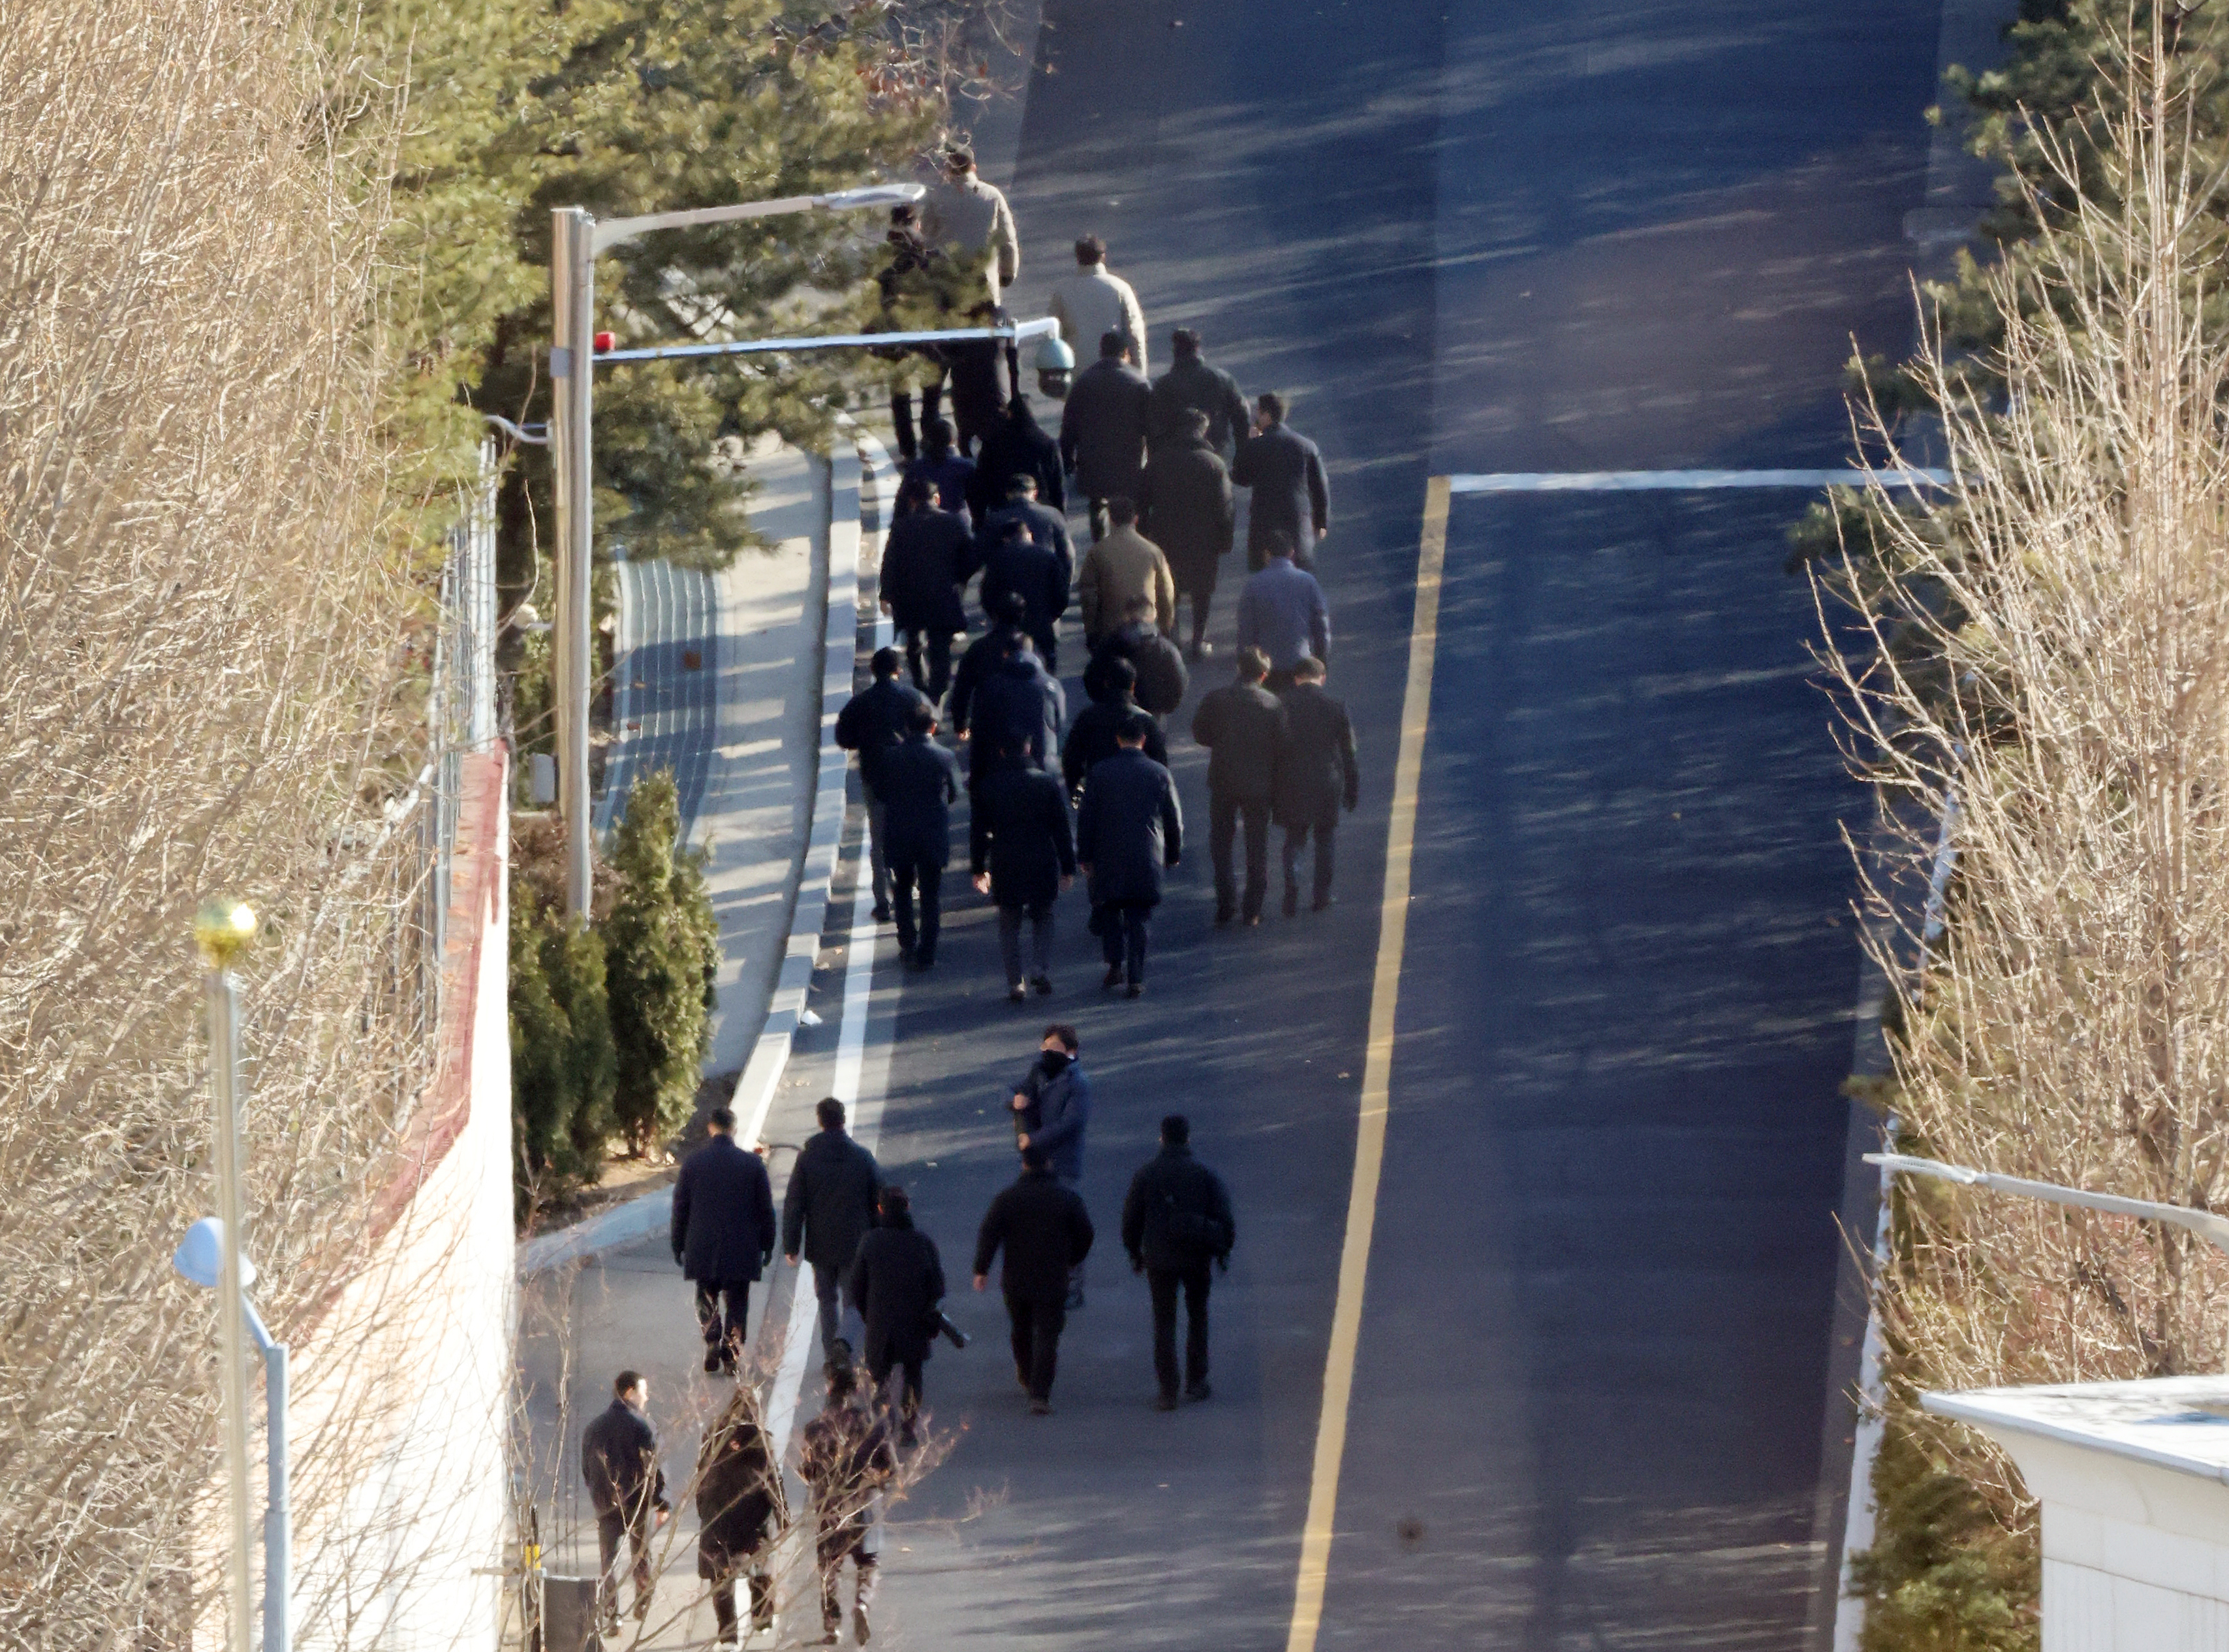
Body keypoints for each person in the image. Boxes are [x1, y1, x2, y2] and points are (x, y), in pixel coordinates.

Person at [1121, 1114, 1236, 1410]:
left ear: (1162, 1138)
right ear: (1188, 1138)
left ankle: (1167, 1389)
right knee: (1198, 1316)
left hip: (1159, 1258)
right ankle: (1196, 1382)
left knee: (1164, 1321)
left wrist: (1135, 1253)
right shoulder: (1203, 1173)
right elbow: (1224, 1216)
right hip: (1197, 1255)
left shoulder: (1146, 1174)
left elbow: (1131, 1220)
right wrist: (1222, 1249)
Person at [971, 1143, 1095, 1414]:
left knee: (1021, 1329)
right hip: (1053, 1277)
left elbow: (989, 1234)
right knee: (1049, 1334)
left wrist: (981, 1269)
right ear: (1049, 1164)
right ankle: (1041, 1393)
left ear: (1024, 1165)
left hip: (1016, 1278)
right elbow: (1085, 1233)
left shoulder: (1008, 1198)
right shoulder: (1066, 1197)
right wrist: (1072, 1259)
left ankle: (1027, 1374)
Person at [1075, 714, 1183, 998]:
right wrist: (1173, 852)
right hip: (1146, 853)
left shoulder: (1099, 773)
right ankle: (1136, 975)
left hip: (1107, 853)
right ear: (1144, 741)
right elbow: (1172, 818)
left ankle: (1114, 964)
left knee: (1110, 909)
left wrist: (1084, 854)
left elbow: (1087, 818)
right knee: (1140, 915)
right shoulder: (1159, 772)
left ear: (1118, 740)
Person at [798, 1360, 896, 1645]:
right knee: (869, 1562)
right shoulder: (871, 1426)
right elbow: (891, 1468)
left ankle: (832, 1625)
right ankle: (862, 1604)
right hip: (864, 1503)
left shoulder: (814, 1429)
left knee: (829, 1565)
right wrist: (878, 1481)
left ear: (829, 1390)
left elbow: (808, 1473)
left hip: (830, 1506)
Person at [673, 1107, 777, 1374]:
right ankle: (731, 1353)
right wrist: (768, 1243)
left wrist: (678, 1244)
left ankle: (711, 1337)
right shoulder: (753, 1165)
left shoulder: (693, 1163)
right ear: (734, 1130)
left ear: (711, 1128)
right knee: (738, 1299)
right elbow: (765, 1208)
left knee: (706, 1295)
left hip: (703, 1245)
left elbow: (681, 1208)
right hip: (741, 1247)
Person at [970, 743, 1076, 1001]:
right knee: (1044, 916)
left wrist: (979, 868)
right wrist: (1068, 867)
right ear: (1029, 749)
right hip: (1041, 857)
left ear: (1003, 751)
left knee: (1009, 923)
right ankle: (1039, 967)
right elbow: (1061, 828)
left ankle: (1015, 982)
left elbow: (979, 832)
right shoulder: (1046, 783)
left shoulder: (991, 785)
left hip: (1005, 859)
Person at [783, 1097, 883, 1361]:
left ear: (820, 1121)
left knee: (826, 1300)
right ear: (844, 1120)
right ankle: (847, 1348)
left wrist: (791, 1244)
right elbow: (879, 1200)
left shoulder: (807, 1159)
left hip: (821, 1243)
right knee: (854, 1300)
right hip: (856, 1243)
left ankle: (832, 1356)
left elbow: (795, 1204)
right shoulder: (862, 1157)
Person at [1191, 647, 1285, 926]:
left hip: (1223, 779)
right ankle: (1252, 908)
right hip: (1259, 784)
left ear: (1238, 669)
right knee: (1257, 845)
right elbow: (1283, 745)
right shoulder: (1273, 705)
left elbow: (1200, 733)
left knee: (1221, 843)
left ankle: (1226, 902)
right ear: (1264, 675)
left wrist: (1221, 744)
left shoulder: (1216, 699)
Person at [835, 647, 929, 923]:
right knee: (913, 831)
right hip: (909, 776)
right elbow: (929, 724)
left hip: (875, 776)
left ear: (873, 671)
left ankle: (882, 900)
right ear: (898, 670)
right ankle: (914, 887)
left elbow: (843, 737)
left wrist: (864, 743)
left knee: (879, 840)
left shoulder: (861, 703)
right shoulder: (912, 697)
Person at [847, 1183, 947, 1441]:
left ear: (880, 1209)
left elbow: (856, 1286)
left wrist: (868, 1314)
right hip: (914, 1321)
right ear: (907, 1208)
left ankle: (882, 1425)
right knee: (913, 1373)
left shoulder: (870, 1241)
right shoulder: (922, 1243)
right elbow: (937, 1287)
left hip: (880, 1322)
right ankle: (909, 1426)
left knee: (880, 1377)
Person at [1138, 405, 1235, 661]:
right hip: (1204, 539)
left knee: (1170, 588)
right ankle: (1198, 640)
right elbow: (1225, 508)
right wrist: (1225, 540)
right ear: (1202, 431)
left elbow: (1142, 500)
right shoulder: (1214, 464)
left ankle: (1173, 637)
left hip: (1165, 535)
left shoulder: (1159, 461)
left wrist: (1144, 533)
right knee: (1202, 590)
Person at [582, 1370, 670, 1634]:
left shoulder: (594, 1427)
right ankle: (642, 1602)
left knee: (609, 1561)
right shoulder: (643, 1426)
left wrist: (598, 1492)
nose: (647, 1396)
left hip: (606, 1502)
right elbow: (655, 1466)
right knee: (641, 1553)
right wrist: (661, 1501)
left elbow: (587, 1468)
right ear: (630, 1392)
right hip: (637, 1499)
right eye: (643, 1391)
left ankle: (612, 1615)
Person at [694, 1385, 783, 1645]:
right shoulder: (762, 1439)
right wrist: (783, 1515)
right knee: (761, 1567)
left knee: (721, 1576)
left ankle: (728, 1635)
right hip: (752, 1517)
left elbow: (701, 1475)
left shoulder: (713, 1435)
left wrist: (703, 1507)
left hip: (717, 1515)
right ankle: (763, 1617)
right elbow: (774, 1482)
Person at [877, 702, 961, 967]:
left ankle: (907, 940)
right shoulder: (945, 756)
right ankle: (928, 951)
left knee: (902, 886)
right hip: (931, 832)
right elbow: (955, 792)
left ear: (906, 728)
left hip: (900, 830)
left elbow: (880, 793)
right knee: (930, 893)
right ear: (933, 728)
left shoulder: (891, 757)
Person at [877, 204, 961, 465]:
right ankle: (931, 445)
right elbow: (952, 296)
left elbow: (878, 302)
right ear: (919, 225)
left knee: (900, 399)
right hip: (932, 337)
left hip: (898, 338)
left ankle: (908, 452)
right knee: (931, 399)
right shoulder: (934, 258)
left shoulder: (885, 263)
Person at [1276, 655, 1360, 914]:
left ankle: (1292, 887)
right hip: (1327, 782)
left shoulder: (1282, 705)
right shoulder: (1336, 707)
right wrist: (1352, 790)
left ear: (1296, 678)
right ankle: (1321, 897)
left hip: (1292, 782)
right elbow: (1349, 753)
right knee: (1325, 839)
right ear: (1322, 678)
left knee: (1295, 838)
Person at [879, 476, 972, 703]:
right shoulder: (954, 523)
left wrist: (886, 595)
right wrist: (958, 578)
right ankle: (936, 697)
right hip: (943, 595)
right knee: (941, 650)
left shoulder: (902, 527)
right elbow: (970, 556)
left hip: (910, 598)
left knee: (914, 643)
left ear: (912, 502)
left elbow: (890, 562)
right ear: (937, 499)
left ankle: (921, 686)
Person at [1060, 331, 1153, 542]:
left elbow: (1069, 426)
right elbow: (1152, 427)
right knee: (1132, 508)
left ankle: (1101, 547)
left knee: (1097, 506)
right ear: (1126, 353)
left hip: (1093, 465)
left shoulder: (1084, 382)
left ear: (1101, 352)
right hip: (1130, 465)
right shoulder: (1139, 383)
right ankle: (1131, 548)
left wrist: (1067, 459)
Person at [1231, 392, 1331, 570]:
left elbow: (1241, 477)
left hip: (1265, 520)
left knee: (1264, 574)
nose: (1256, 418)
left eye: (1258, 414)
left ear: (1267, 415)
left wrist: (1249, 445)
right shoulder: (1306, 446)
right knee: (1300, 572)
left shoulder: (1256, 446)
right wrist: (1321, 521)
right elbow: (1319, 487)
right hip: (1297, 520)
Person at [1062, 655, 1168, 809]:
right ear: (1133, 686)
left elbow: (1071, 760)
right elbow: (1160, 765)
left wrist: (1077, 796)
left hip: (1100, 797)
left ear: (1106, 684)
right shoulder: (1146, 721)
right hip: (1137, 800)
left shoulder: (1088, 718)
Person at [920, 146, 1020, 305]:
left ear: (948, 169)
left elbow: (925, 236)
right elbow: (1007, 240)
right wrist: (1008, 273)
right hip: (984, 288)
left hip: (949, 289)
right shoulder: (992, 196)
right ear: (974, 167)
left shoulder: (938, 198)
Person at [1235, 531, 1330, 693]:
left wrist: (1244, 664)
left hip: (1266, 666)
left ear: (1267, 555)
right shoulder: (1308, 582)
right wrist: (1321, 658)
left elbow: (1246, 629)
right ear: (1292, 553)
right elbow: (1321, 623)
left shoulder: (1253, 585)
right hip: (1301, 664)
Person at [967, 627, 1066, 784]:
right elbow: (1060, 722)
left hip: (1003, 768)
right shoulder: (1051, 685)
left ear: (1006, 654)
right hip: (1046, 764)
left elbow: (980, 731)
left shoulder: (992, 686)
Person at [1075, 496, 1174, 649]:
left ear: (1111, 521)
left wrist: (1092, 631)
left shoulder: (1097, 553)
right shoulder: (1153, 551)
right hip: (1147, 628)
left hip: (1111, 632)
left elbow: (1089, 597)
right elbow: (1166, 593)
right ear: (1136, 520)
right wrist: (1165, 627)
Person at [977, 514, 1069, 673]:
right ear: (1029, 535)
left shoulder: (998, 559)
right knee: (1049, 662)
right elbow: (1061, 591)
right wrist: (1053, 614)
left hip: (1010, 624)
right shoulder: (1047, 556)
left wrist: (996, 616)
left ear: (1006, 539)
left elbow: (988, 594)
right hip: (1042, 621)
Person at [1048, 234, 1148, 375]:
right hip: (1115, 373)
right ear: (1103, 257)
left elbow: (1052, 336)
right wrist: (1140, 376)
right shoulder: (1120, 289)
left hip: (1078, 376)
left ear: (1078, 258)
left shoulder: (1063, 293)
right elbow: (1135, 335)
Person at [1148, 328, 1250, 458]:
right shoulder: (1222, 380)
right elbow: (1242, 417)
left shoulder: (1163, 386)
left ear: (1175, 352)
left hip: (1175, 462)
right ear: (1197, 349)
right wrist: (1241, 456)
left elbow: (1153, 428)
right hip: (1216, 456)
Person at [966, 391, 1065, 523]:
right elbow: (1057, 484)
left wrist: (979, 519)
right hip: (1040, 510)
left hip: (1003, 510)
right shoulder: (1047, 444)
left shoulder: (994, 443)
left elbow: (981, 481)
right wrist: (1060, 516)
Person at [1082, 596, 1189, 719]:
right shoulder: (1166, 648)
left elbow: (1092, 677)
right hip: (1153, 713)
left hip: (1115, 714)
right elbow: (1179, 681)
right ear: (1153, 615)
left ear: (1126, 615)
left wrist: (1105, 703)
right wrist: (1164, 707)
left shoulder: (1110, 645)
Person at [947, 589, 1030, 745]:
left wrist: (960, 723)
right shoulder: (1029, 648)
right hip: (1022, 721)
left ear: (995, 617)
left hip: (986, 721)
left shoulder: (979, 649)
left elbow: (962, 688)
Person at [901, 416, 974, 516]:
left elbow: (903, 505)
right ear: (952, 441)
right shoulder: (966, 467)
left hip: (925, 524)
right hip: (958, 523)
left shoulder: (915, 468)